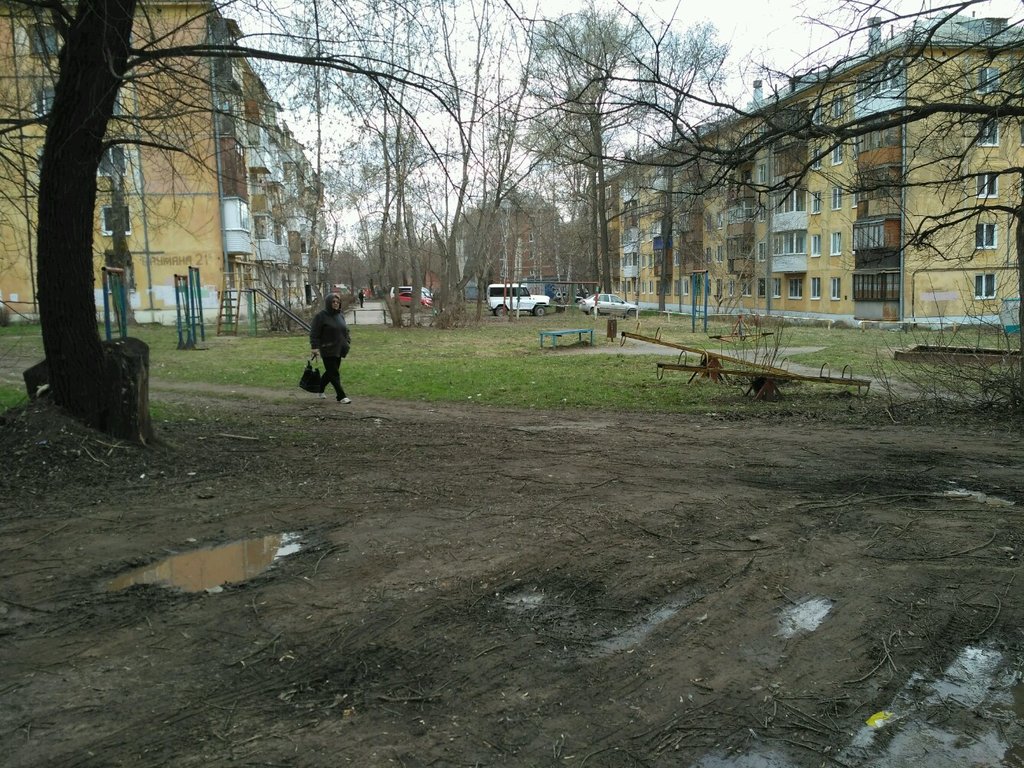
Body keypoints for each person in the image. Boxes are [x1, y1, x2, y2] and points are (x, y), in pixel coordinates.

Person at [309, 293, 352, 404]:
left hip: (339, 348)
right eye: (333, 302)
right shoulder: (321, 316)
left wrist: (347, 340)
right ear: (328, 303)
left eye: (337, 302)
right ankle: (341, 396)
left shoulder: (340, 315)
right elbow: (314, 332)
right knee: (334, 373)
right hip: (327, 349)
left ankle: (320, 389)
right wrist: (314, 347)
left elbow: (344, 330)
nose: (336, 304)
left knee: (330, 373)